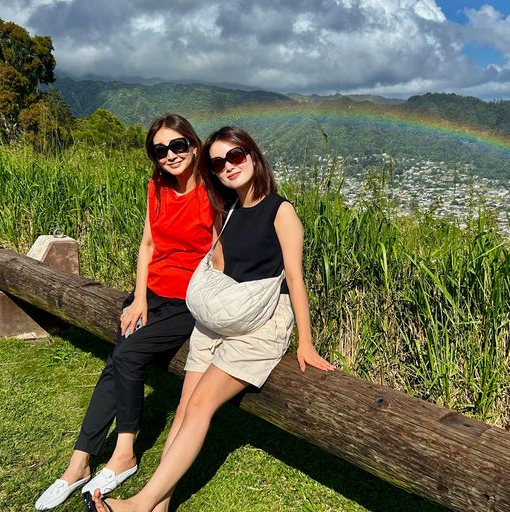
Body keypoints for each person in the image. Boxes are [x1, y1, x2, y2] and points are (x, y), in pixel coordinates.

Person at [84, 126, 334, 512]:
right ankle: (160, 506)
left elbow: (296, 278)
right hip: (221, 316)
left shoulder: (281, 211)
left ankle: (140, 504)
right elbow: (217, 263)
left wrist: (306, 341)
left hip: (261, 322)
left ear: (252, 154)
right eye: (218, 163)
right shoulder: (228, 209)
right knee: (184, 408)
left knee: (200, 406)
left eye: (235, 156)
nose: (228, 167)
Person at [34, 114, 214, 510]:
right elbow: (148, 245)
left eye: (178, 145)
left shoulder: (214, 193)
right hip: (151, 294)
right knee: (117, 361)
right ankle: (79, 463)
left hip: (191, 301)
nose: (170, 155)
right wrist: (138, 297)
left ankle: (124, 453)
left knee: (127, 355)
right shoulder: (158, 187)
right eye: (160, 150)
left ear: (195, 145)